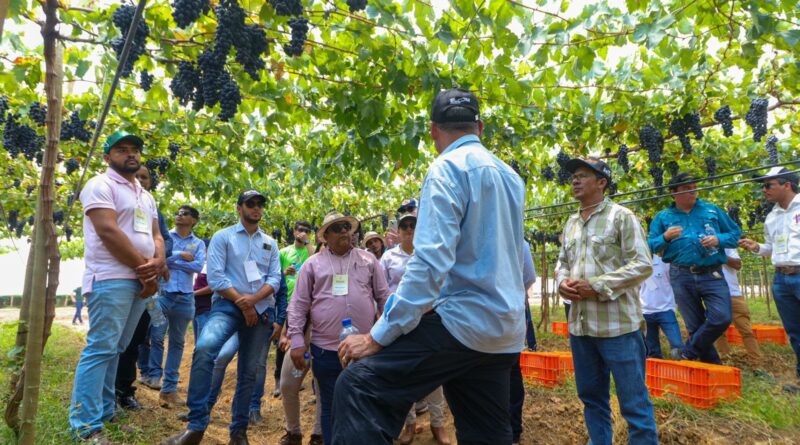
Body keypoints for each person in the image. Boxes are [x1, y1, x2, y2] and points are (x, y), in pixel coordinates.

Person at [333, 89, 526, 444]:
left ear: (433, 130)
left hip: (462, 324)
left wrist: (379, 336)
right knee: (486, 431)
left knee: (359, 386)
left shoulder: (447, 168)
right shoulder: (511, 178)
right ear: (480, 128)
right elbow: (524, 267)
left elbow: (430, 262)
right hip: (505, 333)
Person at [160, 190, 282, 445]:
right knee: (204, 349)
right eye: (250, 204)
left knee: (249, 372)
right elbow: (216, 278)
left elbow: (275, 279)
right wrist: (243, 302)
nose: (256, 209)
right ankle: (196, 426)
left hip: (261, 310)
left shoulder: (270, 242)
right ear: (239, 208)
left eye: (260, 205)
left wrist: (253, 301)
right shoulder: (222, 237)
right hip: (227, 306)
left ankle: (238, 433)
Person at [68, 130, 165, 442]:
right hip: (111, 279)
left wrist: (158, 260)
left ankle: (106, 412)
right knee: (101, 348)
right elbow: (108, 231)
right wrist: (144, 268)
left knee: (118, 348)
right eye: (122, 149)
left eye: (134, 149)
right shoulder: (100, 185)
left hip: (141, 281)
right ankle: (85, 425)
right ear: (107, 157)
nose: (130, 154)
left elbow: (156, 235)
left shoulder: (145, 195)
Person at [556, 157, 657, 445]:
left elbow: (642, 264)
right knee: (591, 398)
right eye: (574, 176)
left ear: (602, 182)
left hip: (618, 329)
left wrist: (598, 286)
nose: (575, 180)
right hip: (581, 328)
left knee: (634, 403)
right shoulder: (571, 222)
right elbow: (562, 262)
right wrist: (562, 282)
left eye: (583, 175)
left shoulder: (622, 217)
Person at [287, 210, 390, 445]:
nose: (344, 231)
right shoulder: (312, 264)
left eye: (346, 226)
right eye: (337, 228)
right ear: (325, 236)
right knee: (331, 405)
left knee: (365, 403)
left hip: (364, 347)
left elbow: (384, 297)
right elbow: (299, 305)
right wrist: (295, 340)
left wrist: (386, 333)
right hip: (326, 348)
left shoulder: (367, 260)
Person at [648, 172, 741, 363]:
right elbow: (650, 245)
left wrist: (719, 239)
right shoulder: (663, 217)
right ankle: (712, 367)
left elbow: (735, 233)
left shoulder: (712, 211)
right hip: (680, 275)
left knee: (722, 317)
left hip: (712, 272)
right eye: (685, 189)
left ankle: (688, 351)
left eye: (694, 187)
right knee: (694, 324)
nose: (692, 192)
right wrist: (665, 237)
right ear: (673, 193)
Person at [379, 210, 450, 445]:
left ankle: (438, 424)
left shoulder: (428, 255)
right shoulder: (388, 258)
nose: (409, 229)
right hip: (400, 323)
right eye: (405, 226)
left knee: (434, 373)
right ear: (398, 232)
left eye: (413, 225)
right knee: (404, 373)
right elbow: (381, 291)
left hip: (429, 319)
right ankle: (409, 424)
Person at [115, 164, 174, 412]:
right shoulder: (116, 199)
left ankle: (124, 391)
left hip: (146, 284)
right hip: (121, 278)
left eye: (145, 177)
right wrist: (144, 262)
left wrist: (159, 260)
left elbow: (165, 240)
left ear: (150, 182)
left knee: (135, 338)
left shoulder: (151, 207)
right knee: (113, 340)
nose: (140, 180)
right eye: (137, 175)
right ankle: (107, 394)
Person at [739, 167, 800, 388]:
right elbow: (772, 248)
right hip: (782, 279)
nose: (764, 190)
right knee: (794, 331)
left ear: (787, 185)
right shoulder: (772, 217)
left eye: (768, 185)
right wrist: (757, 247)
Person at [146, 205, 205, 408]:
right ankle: (154, 376)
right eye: (178, 212)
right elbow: (159, 259)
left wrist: (170, 262)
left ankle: (169, 388)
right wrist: (179, 255)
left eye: (185, 213)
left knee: (177, 343)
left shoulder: (198, 243)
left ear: (194, 220)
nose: (179, 215)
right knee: (156, 336)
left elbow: (198, 267)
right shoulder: (165, 237)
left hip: (186, 298)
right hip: (161, 294)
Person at [275, 220, 315, 398]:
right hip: (287, 301)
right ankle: (279, 381)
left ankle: (298, 377)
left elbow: (317, 261)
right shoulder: (284, 252)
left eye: (307, 231)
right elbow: (274, 276)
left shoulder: (309, 251)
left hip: (306, 304)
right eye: (300, 230)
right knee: (283, 342)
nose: (303, 233)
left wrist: (307, 243)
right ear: (294, 231)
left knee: (305, 342)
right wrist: (284, 273)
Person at [715, 248, 762, 366]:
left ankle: (756, 364)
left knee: (746, 330)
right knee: (718, 331)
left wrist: (716, 254)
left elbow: (737, 264)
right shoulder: (701, 245)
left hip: (734, 295)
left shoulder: (728, 246)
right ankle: (725, 361)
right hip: (714, 295)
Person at [510, 242, 537, 445]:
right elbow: (528, 277)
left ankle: (510, 428)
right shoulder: (520, 242)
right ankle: (513, 429)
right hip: (510, 317)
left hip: (481, 325)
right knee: (511, 372)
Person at [639, 254, 684, 359]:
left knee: (677, 346)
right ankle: (657, 372)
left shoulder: (663, 262)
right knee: (652, 351)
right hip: (645, 311)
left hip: (666, 310)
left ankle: (682, 370)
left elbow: (674, 282)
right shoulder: (638, 264)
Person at [192, 238, 213, 342]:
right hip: (196, 308)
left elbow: (213, 287)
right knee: (198, 342)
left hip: (206, 308)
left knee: (202, 343)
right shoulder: (199, 264)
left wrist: (194, 293)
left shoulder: (211, 265)